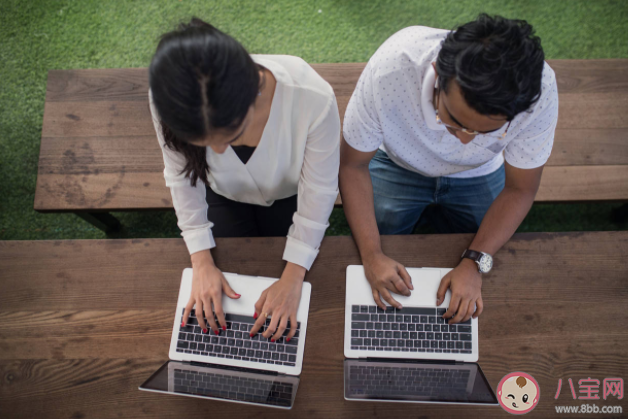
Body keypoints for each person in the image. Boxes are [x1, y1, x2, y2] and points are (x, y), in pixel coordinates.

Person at [340, 14, 558, 324]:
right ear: (436, 77)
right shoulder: (391, 70)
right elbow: (353, 165)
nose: (466, 140)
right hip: (397, 163)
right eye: (454, 119)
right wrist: (373, 255)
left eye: (485, 131)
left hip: (479, 172)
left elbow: (520, 188)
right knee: (380, 230)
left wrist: (474, 261)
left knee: (489, 235)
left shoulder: (540, 91)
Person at [148, 17, 340, 341]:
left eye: (232, 135)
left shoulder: (314, 98)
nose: (218, 151)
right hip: (222, 194)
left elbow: (319, 191)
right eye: (203, 143)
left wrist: (294, 277)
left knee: (283, 273)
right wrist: (201, 260)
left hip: (290, 193)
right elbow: (182, 177)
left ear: (253, 91)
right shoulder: (169, 100)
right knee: (235, 286)